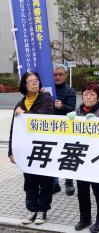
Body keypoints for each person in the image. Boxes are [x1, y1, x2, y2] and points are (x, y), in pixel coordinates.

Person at [8, 72, 54, 225]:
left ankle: (43, 211)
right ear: (24, 85)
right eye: (31, 81)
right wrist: (11, 151)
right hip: (26, 151)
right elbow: (14, 129)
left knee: (45, 181)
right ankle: (32, 209)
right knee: (30, 182)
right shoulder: (20, 104)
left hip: (43, 147)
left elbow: (42, 120)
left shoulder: (46, 99)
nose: (35, 83)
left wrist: (25, 114)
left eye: (36, 80)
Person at [73, 82, 99, 233]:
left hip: (97, 157)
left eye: (92, 94)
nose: (88, 97)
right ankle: (84, 218)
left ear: (98, 97)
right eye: (86, 94)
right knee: (82, 189)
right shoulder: (76, 111)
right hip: (81, 155)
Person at [52, 63, 77, 196]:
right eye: (55, 74)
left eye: (60, 74)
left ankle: (69, 183)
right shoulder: (47, 89)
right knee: (53, 156)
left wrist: (62, 106)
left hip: (66, 129)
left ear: (66, 75)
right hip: (50, 129)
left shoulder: (70, 91)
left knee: (67, 155)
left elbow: (72, 109)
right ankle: (54, 184)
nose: (57, 77)